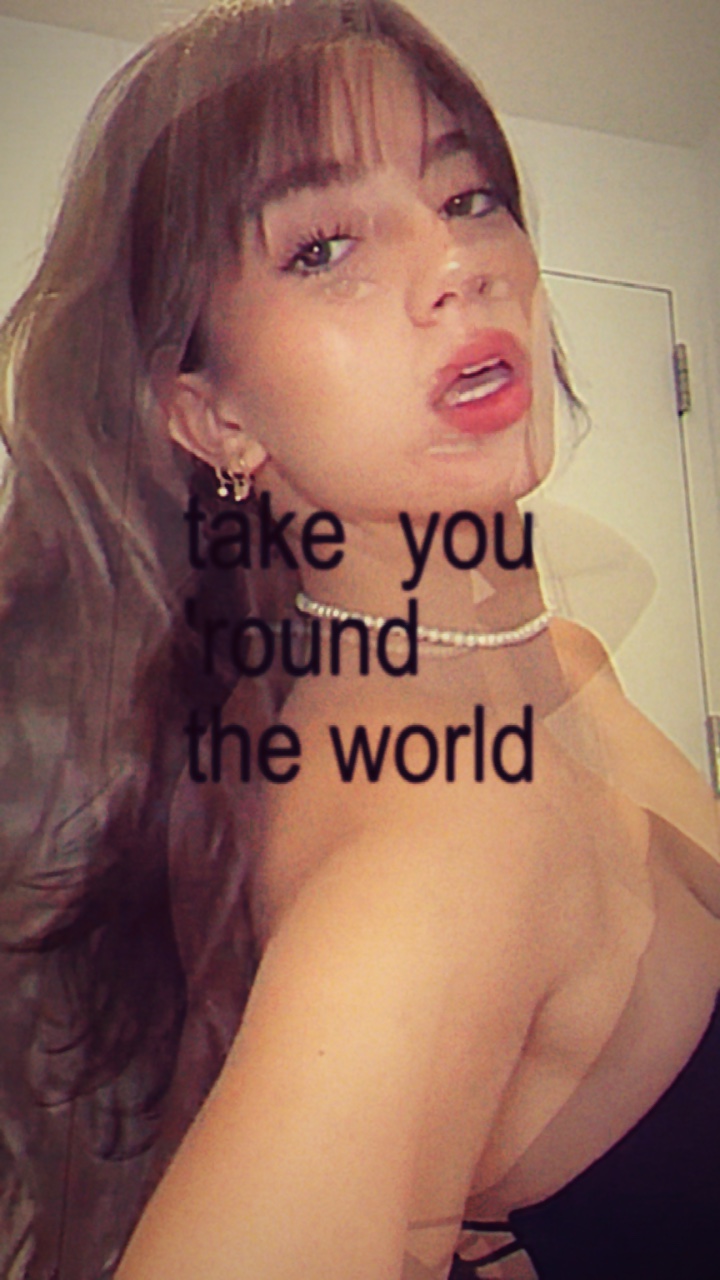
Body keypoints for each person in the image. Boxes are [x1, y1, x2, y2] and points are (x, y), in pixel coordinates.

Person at [2, 2, 719, 1277]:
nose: (456, 264)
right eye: (324, 246)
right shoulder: (443, 837)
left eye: (468, 196)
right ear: (213, 417)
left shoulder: (562, 661)